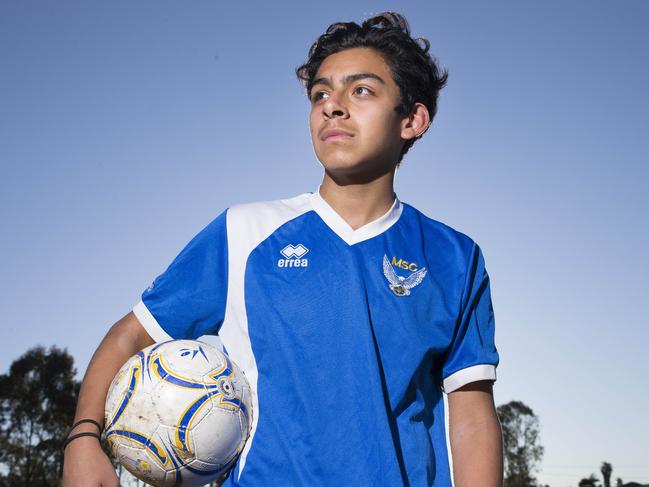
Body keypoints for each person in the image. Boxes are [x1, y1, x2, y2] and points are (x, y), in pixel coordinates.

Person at [62, 11, 503, 486]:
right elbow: (130, 335)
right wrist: (84, 438)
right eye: (321, 94)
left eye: (362, 90)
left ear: (413, 119)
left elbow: (472, 413)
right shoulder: (244, 231)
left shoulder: (454, 257)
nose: (333, 106)